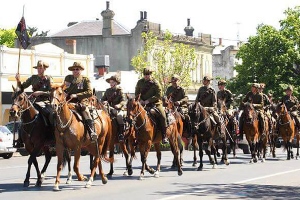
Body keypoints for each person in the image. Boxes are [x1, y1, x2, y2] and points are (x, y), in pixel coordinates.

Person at [15, 60, 53, 147]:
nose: (39, 70)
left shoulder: (49, 78)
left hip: (45, 101)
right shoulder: (33, 78)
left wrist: (40, 92)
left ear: (44, 69)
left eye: (41, 68)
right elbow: (22, 87)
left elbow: (51, 92)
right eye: (38, 68)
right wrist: (18, 80)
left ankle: (52, 134)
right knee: (23, 115)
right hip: (34, 101)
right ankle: (20, 139)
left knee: (50, 114)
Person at [64, 61, 97, 141]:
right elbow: (64, 88)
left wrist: (77, 95)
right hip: (68, 100)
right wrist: (64, 93)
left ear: (81, 70)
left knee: (85, 111)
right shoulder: (68, 78)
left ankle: (91, 131)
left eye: (77, 69)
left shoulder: (85, 80)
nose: (75, 71)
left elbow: (90, 92)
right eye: (74, 69)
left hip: (81, 101)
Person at [135, 68, 168, 144]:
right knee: (134, 116)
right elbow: (137, 93)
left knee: (163, 116)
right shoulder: (140, 82)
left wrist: (148, 100)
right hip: (142, 104)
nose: (146, 76)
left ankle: (164, 135)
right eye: (145, 75)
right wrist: (140, 101)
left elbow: (159, 95)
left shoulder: (155, 83)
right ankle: (135, 136)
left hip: (155, 104)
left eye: (148, 74)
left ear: (150, 74)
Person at [101, 75, 126, 142]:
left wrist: (119, 105)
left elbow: (123, 100)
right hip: (109, 108)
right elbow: (102, 99)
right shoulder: (107, 91)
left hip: (118, 109)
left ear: (116, 83)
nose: (111, 84)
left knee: (120, 116)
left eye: (112, 82)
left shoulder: (120, 91)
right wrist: (104, 102)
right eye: (110, 82)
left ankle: (121, 134)